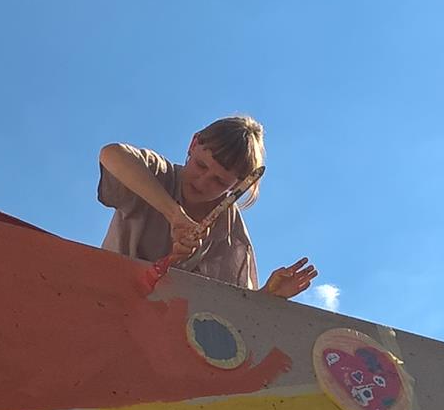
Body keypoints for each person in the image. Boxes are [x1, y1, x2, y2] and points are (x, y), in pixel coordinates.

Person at [98, 116, 317, 297]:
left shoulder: (232, 234)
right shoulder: (159, 173)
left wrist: (268, 295)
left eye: (220, 181)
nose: (202, 182)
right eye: (201, 165)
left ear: (238, 186)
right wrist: (174, 214)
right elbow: (111, 153)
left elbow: (233, 307)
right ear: (193, 144)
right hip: (106, 296)